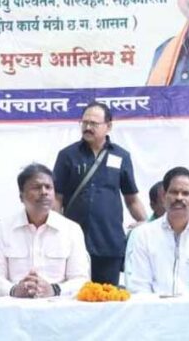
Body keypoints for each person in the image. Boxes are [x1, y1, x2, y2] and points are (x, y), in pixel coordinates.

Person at [53, 102, 147, 285]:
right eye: (84, 122)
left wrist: (145, 223)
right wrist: (56, 229)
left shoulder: (121, 156)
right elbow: (57, 197)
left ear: (108, 126)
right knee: (73, 295)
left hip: (109, 242)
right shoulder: (67, 155)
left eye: (94, 123)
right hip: (74, 242)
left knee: (108, 296)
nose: (88, 127)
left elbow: (131, 198)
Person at [0, 164, 90, 298]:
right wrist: (14, 290)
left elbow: (81, 279)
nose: (44, 192)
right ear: (21, 196)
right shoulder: (3, 229)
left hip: (58, 305)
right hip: (15, 305)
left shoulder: (71, 230)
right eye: (36, 187)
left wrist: (54, 290)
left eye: (48, 187)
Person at [125, 167, 189, 295]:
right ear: (164, 196)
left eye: (186, 193)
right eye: (173, 192)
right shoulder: (143, 235)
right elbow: (138, 287)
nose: (179, 197)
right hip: (154, 307)